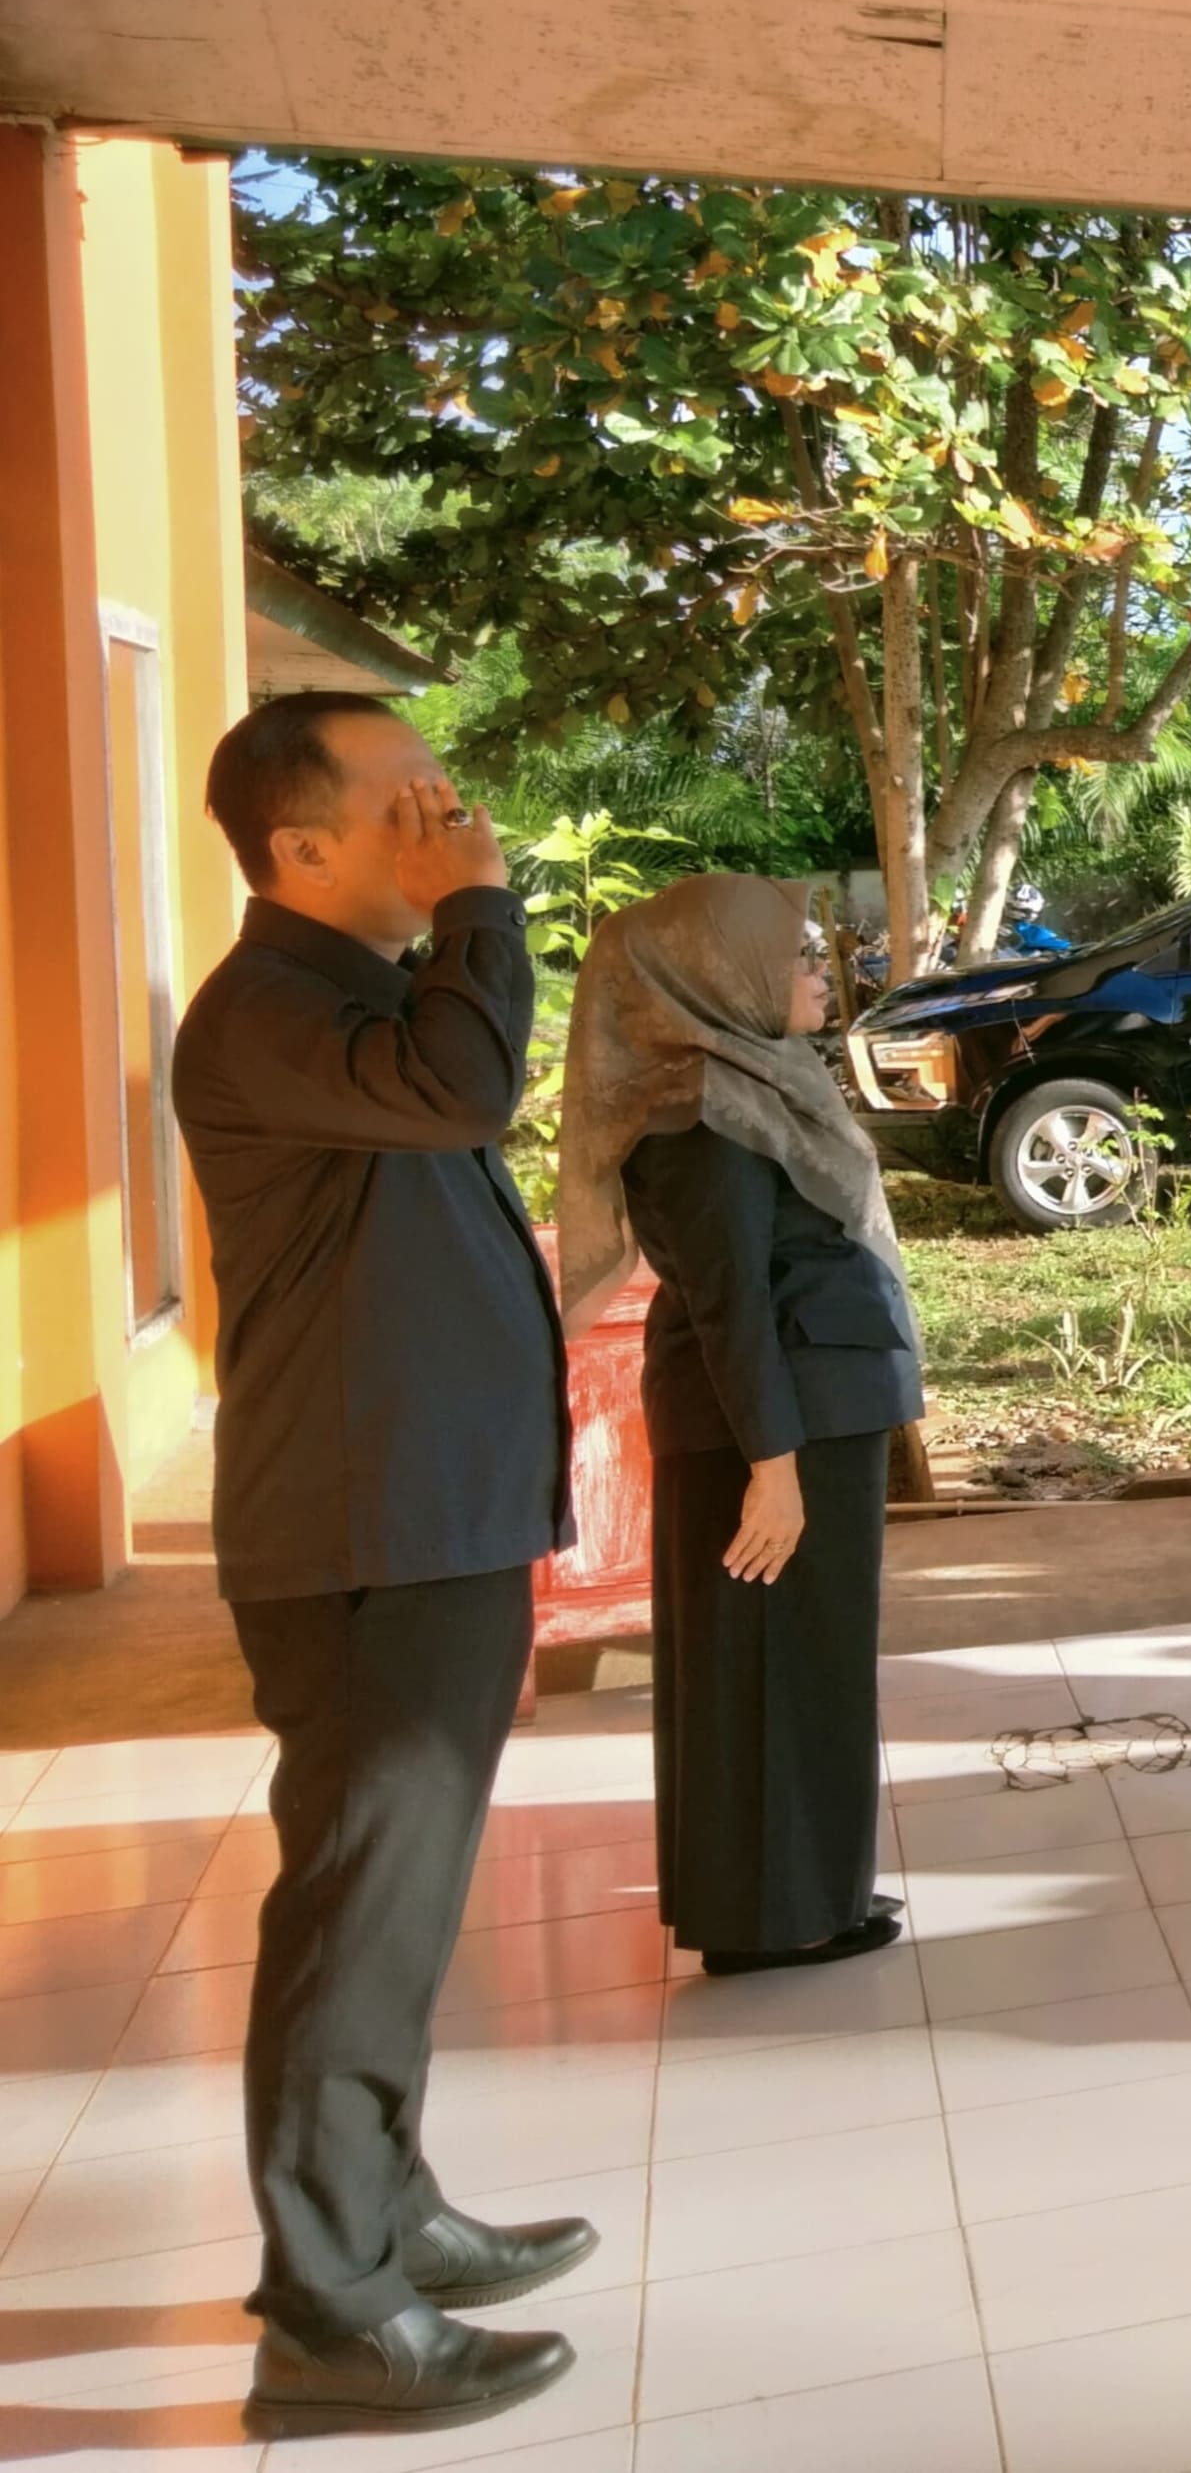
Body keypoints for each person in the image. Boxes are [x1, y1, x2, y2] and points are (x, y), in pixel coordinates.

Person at [169, 692, 592, 2434]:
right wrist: (481, 907)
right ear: (299, 848)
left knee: (396, 1901)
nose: (449, 817)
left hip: (427, 1510)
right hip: (361, 1524)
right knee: (358, 1903)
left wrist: (456, 925)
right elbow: (467, 1088)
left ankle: (390, 2211)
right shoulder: (267, 1010)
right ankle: (329, 2312)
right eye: (407, 799)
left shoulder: (357, 994)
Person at [555, 874, 926, 1976]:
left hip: (800, 1412)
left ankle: (801, 1893)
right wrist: (773, 1463)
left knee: (799, 1661)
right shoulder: (700, 1113)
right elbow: (730, 1300)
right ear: (719, 976)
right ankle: (777, 1918)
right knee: (767, 1667)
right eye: (796, 955)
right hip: (771, 1425)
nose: (819, 970)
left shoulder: (751, 1081)